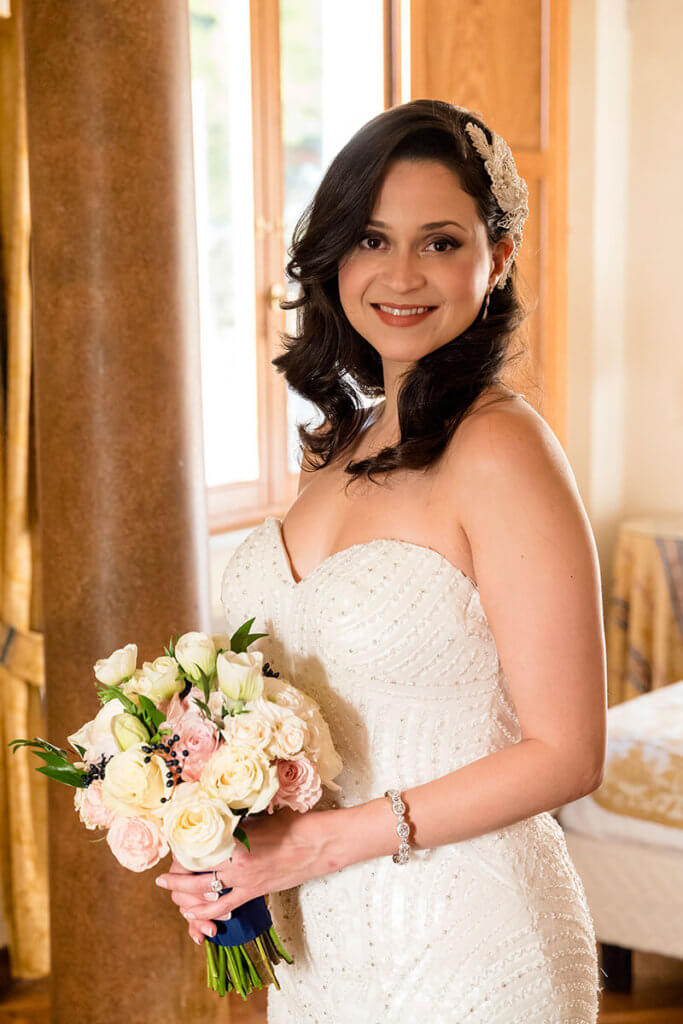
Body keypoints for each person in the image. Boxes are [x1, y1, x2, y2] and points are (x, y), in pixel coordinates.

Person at [155, 99, 607, 1022]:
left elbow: (568, 751)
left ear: (500, 258)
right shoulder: (335, 450)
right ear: (335, 256)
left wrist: (312, 847)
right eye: (370, 238)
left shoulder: (500, 448)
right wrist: (220, 824)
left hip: (469, 944)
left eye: (440, 242)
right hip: (321, 954)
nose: (402, 274)